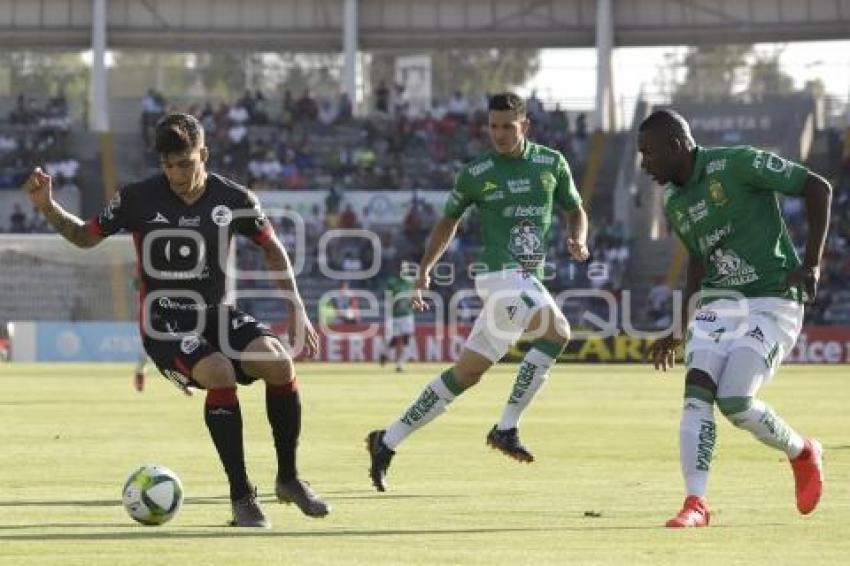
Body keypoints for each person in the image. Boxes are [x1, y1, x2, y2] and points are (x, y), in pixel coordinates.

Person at [23, 113, 329, 528]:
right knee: (219, 372)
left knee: (279, 363)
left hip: (213, 315)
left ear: (204, 154)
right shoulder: (138, 198)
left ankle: (289, 478)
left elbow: (272, 250)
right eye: (168, 165)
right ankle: (242, 497)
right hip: (163, 324)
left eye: (184, 163)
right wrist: (47, 206)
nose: (176, 174)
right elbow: (84, 236)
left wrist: (296, 308)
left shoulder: (235, 199)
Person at [366, 92, 589, 491]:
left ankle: (387, 440)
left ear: (525, 126)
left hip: (526, 279)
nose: (499, 134)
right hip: (499, 275)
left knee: (466, 374)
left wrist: (578, 238)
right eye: (493, 126)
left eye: (507, 126)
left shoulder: (552, 163)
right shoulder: (476, 172)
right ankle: (507, 427)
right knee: (557, 333)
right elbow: (447, 222)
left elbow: (575, 208)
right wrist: (423, 272)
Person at [638, 108, 830, 528]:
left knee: (735, 401)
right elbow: (697, 265)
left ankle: (801, 451)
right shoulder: (673, 200)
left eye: (649, 154)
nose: (643, 164)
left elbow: (818, 188)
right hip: (718, 304)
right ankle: (696, 503)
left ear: (675, 146)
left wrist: (811, 263)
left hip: (772, 300)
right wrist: (679, 326)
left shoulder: (738, 163)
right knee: (697, 392)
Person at [379, 261, 416, 372]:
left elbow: (414, 295)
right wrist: (394, 304)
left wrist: (412, 302)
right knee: (393, 339)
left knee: (404, 339)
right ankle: (385, 353)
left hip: (407, 314)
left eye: (404, 268)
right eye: (401, 268)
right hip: (394, 315)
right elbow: (387, 297)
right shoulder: (392, 282)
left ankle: (399, 364)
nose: (402, 270)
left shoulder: (411, 282)